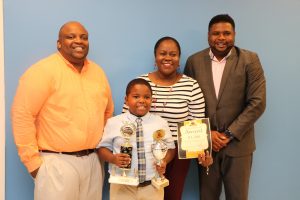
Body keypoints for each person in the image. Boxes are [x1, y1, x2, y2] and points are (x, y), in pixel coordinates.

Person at [11, 21, 114, 200]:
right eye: (70, 36)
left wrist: (102, 152)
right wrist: (34, 165)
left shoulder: (98, 72)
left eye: (84, 37)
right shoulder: (42, 71)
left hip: (93, 162)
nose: (78, 41)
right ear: (59, 43)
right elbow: (22, 116)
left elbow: (107, 112)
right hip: (56, 162)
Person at [184, 14, 266, 200]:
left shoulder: (250, 60)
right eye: (216, 33)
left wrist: (228, 134)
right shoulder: (194, 62)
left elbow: (258, 102)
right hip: (206, 146)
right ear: (208, 35)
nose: (221, 38)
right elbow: (187, 102)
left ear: (234, 34)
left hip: (239, 145)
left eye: (226, 33)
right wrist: (207, 133)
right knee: (207, 196)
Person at [122, 36, 212, 200]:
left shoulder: (191, 86)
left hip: (178, 154)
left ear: (179, 59)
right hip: (143, 150)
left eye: (173, 54)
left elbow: (197, 127)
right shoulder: (141, 82)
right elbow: (126, 120)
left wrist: (203, 153)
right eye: (163, 53)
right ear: (155, 57)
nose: (168, 58)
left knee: (172, 195)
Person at [98, 78, 176, 200]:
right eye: (136, 96)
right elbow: (102, 149)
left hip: (152, 186)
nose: (142, 101)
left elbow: (171, 149)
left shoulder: (161, 123)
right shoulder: (114, 122)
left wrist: (164, 161)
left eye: (147, 97)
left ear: (152, 100)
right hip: (122, 187)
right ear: (126, 100)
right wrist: (113, 158)